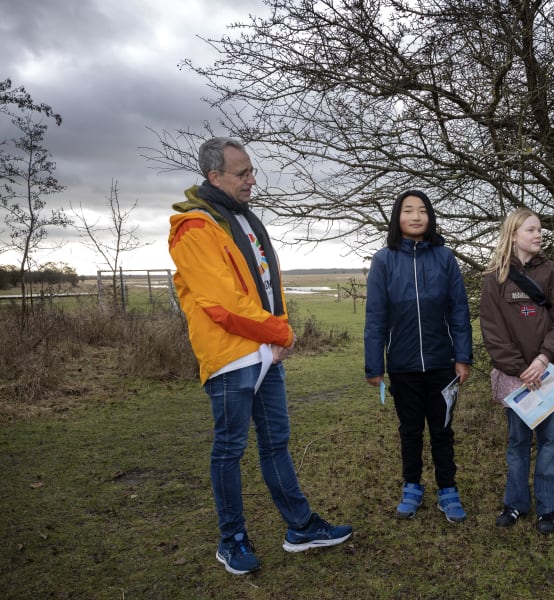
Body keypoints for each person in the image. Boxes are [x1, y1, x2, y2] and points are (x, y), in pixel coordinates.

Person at [168, 137, 352, 575]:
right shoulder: (195, 227)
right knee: (229, 450)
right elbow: (222, 302)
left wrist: (278, 337)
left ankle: (301, 527)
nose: (252, 180)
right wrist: (281, 330)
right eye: (242, 173)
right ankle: (231, 541)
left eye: (252, 171)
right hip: (231, 358)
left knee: (275, 443)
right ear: (215, 177)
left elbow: (266, 287)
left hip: (264, 355)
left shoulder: (242, 220)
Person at [364, 189, 473, 523]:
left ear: (430, 217)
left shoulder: (444, 258)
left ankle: (447, 489)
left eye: (422, 210)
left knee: (442, 430)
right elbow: (376, 316)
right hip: (403, 364)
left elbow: (459, 310)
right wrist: (374, 364)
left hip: (443, 363)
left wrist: (463, 356)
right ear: (398, 217)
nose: (415, 216)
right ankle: (412, 487)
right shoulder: (384, 260)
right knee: (410, 431)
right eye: (408, 210)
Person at [479, 207, 554, 534]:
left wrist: (543, 359)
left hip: (548, 373)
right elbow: (493, 332)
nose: (539, 235)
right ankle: (515, 503)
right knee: (517, 442)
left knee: (550, 442)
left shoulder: (552, 273)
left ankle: (550, 508)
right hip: (515, 379)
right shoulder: (495, 279)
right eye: (531, 230)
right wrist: (521, 369)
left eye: (540, 230)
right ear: (513, 234)